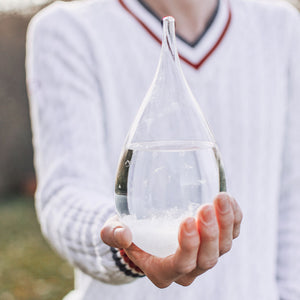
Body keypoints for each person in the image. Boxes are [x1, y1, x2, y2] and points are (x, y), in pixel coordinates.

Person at [26, 0, 300, 299]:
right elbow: (66, 193)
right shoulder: (69, 29)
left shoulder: (282, 26)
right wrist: (127, 246)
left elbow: (293, 197)